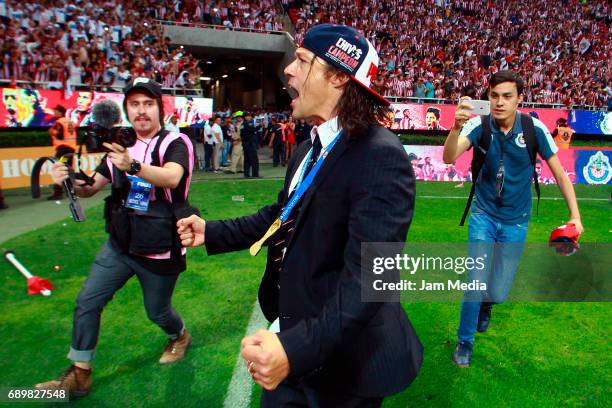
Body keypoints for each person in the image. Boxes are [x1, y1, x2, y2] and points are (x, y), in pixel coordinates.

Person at [177, 24, 422, 407]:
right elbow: (283, 214)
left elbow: (372, 278)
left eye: (303, 61)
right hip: (298, 335)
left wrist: (294, 349)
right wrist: (212, 232)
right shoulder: (310, 147)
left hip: (344, 366)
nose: (288, 70)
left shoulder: (379, 154)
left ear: (339, 76)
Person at [35, 78, 196, 398]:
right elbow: (91, 186)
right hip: (120, 245)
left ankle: (179, 335)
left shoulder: (175, 142)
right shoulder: (117, 146)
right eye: (134, 104)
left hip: (160, 247)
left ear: (159, 107)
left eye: (148, 103)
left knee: (157, 311)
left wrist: (133, 165)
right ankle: (80, 374)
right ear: (126, 110)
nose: (141, 111)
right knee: (87, 301)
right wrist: (68, 180)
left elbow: (173, 176)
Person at [442, 70, 584, 368]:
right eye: (494, 95)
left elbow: (559, 173)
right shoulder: (477, 125)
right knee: (475, 280)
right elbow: (448, 157)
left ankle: (488, 304)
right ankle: (465, 342)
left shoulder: (534, 129)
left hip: (516, 221)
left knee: (500, 290)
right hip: (483, 215)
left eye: (507, 96)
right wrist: (455, 128)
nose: (499, 102)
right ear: (488, 97)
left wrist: (575, 216)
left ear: (520, 98)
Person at [47, 105, 78, 200]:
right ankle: (71, 191)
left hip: (63, 149)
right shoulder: (70, 122)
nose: (54, 113)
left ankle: (58, 193)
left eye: (56, 111)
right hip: (71, 149)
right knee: (68, 170)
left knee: (59, 169)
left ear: (60, 112)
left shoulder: (59, 122)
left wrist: (52, 131)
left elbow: (59, 135)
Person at [241, 112, 260, 178]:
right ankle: (255, 174)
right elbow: (252, 130)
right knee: (254, 159)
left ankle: (246, 174)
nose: (250, 117)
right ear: (245, 117)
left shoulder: (242, 124)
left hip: (245, 143)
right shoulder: (246, 124)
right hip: (250, 143)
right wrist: (260, 126)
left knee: (247, 160)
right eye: (248, 116)